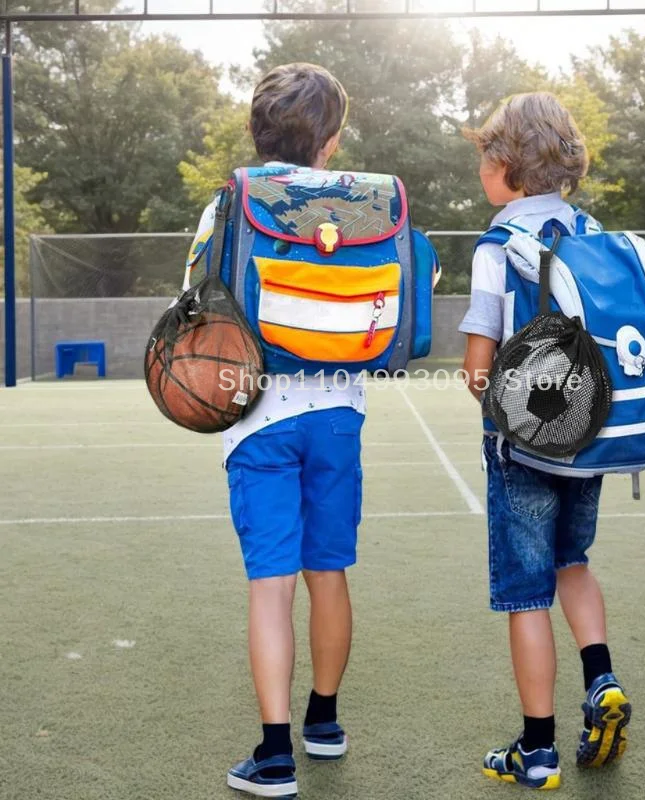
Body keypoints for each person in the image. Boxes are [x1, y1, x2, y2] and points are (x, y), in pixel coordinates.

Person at [187, 63, 364, 799]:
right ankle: (323, 722)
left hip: (257, 417)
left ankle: (274, 754)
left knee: (270, 587)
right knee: (329, 572)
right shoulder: (361, 206)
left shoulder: (229, 202)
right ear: (329, 141)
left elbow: (193, 305)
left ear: (257, 130)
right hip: (339, 410)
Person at [459, 92, 631, 790]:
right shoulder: (589, 233)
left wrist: (505, 399)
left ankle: (537, 751)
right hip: (588, 440)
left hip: (523, 447)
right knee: (574, 562)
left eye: (483, 159)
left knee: (526, 593)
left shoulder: (498, 246)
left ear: (504, 166)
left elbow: (477, 373)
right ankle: (603, 681)